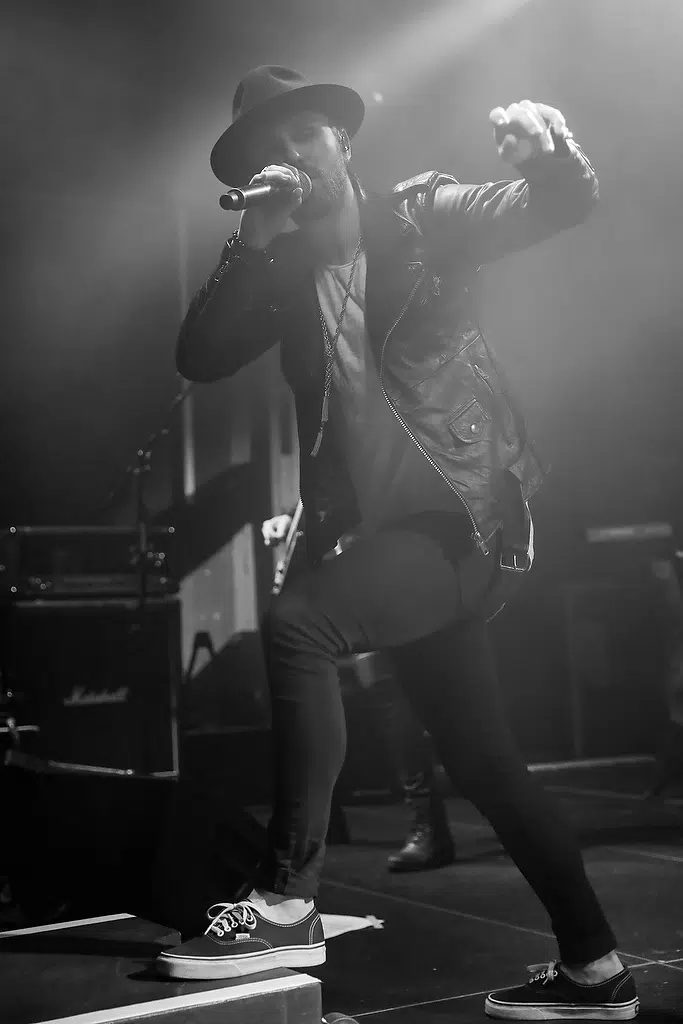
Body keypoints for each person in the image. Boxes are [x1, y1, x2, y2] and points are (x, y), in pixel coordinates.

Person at [159, 66, 639, 1020]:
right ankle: (596, 969)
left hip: (466, 521)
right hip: (390, 541)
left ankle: (286, 900)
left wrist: (549, 155)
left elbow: (554, 205)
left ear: (342, 143)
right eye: (268, 150)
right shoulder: (286, 276)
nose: (289, 157)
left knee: (299, 625)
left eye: (303, 136)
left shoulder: (424, 218)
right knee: (484, 761)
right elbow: (199, 356)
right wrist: (250, 240)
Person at [262, 509, 456, 872]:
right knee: (318, 712)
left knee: (394, 707)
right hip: (335, 595)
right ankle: (323, 824)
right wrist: (289, 522)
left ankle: (429, 826)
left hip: (378, 587)